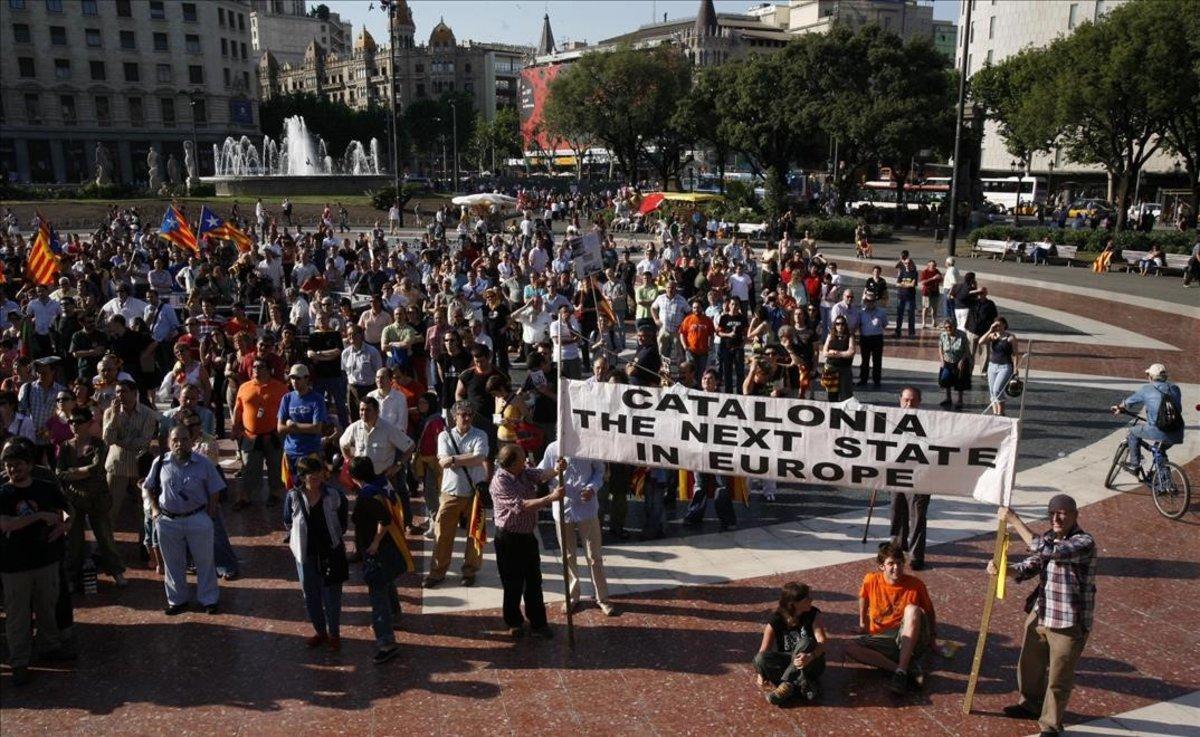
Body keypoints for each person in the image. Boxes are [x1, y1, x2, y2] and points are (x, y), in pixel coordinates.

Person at [989, 496, 1096, 737]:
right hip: (1041, 614)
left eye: (1062, 513)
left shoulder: (1084, 542)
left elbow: (1049, 551)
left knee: (1059, 677)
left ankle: (1050, 724)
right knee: (1029, 665)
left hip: (1068, 621)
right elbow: (1030, 566)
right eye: (1052, 513)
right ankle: (1030, 705)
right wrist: (1003, 570)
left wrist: (1014, 519)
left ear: (1075, 515)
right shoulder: (1049, 536)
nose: (1056, 518)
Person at [0, 439, 74, 687]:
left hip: (46, 560)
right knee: (17, 615)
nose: (13, 470)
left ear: (30, 465)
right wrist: (41, 516)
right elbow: (6, 524)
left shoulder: (46, 487)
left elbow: (67, 512)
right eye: (9, 465)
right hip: (14, 565)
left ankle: (49, 646)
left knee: (47, 607)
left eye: (18, 464)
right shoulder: (3, 492)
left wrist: (64, 525)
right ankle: (19, 661)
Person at [143, 425, 227, 616]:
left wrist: (210, 515)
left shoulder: (204, 463)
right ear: (168, 442)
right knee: (173, 563)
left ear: (191, 441)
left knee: (204, 561)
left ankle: (209, 599)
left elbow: (215, 490)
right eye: (175, 440)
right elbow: (148, 487)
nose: (179, 444)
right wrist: (155, 511)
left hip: (197, 517)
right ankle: (177, 600)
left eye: (184, 439)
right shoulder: (160, 462)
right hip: (168, 520)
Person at [490, 443, 566, 639]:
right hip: (508, 539)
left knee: (534, 581)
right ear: (511, 463)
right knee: (512, 583)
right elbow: (521, 505)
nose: (525, 462)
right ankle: (514, 621)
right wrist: (551, 498)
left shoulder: (523, 472)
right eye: (521, 458)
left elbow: (540, 475)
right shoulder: (500, 481)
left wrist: (556, 470)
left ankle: (538, 623)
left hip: (528, 537)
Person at [845, 542, 937, 695]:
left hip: (908, 636)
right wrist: (862, 623)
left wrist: (933, 637)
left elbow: (929, 611)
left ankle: (901, 670)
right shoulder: (871, 580)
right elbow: (863, 598)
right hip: (883, 637)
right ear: (881, 566)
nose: (896, 568)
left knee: (912, 610)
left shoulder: (916, 585)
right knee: (850, 647)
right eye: (891, 563)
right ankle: (903, 669)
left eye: (900, 563)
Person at [538, 440, 617, 617]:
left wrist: (592, 488)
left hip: (586, 508)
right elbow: (541, 475)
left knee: (594, 555)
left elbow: (599, 470)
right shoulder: (552, 448)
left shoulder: (589, 445)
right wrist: (555, 470)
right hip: (562, 507)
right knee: (568, 556)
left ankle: (602, 598)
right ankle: (572, 596)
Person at [348, 455, 415, 664]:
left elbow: (383, 520)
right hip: (391, 546)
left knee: (377, 596)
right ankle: (395, 615)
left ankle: (386, 642)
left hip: (377, 551)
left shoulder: (367, 496)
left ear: (354, 476)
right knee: (387, 583)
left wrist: (375, 542)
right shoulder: (382, 483)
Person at [57, 407, 126, 588]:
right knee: (74, 540)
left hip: (97, 498)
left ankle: (117, 572)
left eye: (79, 421)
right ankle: (72, 576)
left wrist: (74, 472)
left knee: (104, 536)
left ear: (89, 423)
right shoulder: (65, 447)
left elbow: (96, 469)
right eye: (71, 421)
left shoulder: (98, 444)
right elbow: (59, 473)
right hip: (74, 499)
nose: (74, 425)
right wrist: (81, 472)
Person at [285, 456, 348, 651]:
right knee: (310, 595)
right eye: (313, 477)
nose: (318, 480)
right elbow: (288, 520)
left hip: (331, 552)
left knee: (332, 597)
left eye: (320, 475)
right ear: (302, 477)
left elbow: (342, 522)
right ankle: (320, 632)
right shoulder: (293, 496)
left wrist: (335, 538)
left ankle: (334, 634)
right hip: (305, 555)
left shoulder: (334, 495)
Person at [425, 401, 488, 588]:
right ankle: (437, 572)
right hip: (450, 493)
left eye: (469, 414)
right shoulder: (444, 436)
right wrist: (468, 458)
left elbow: (480, 457)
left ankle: (470, 571)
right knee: (442, 534)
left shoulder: (480, 435)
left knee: (475, 534)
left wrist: (453, 459)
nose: (467, 418)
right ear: (454, 416)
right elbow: (442, 463)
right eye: (462, 414)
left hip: (474, 493)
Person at [753, 582, 828, 706]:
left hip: (812, 662)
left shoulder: (813, 614)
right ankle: (802, 684)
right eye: (807, 598)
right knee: (760, 660)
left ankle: (787, 685)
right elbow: (763, 651)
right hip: (789, 662)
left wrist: (811, 656)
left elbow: (823, 642)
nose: (811, 600)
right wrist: (761, 673)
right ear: (793, 603)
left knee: (806, 642)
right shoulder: (776, 619)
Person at [232, 358, 288, 509]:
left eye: (261, 366)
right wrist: (235, 427)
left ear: (269, 370)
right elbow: (238, 409)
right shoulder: (244, 387)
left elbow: (287, 411)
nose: (256, 369)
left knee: (275, 466)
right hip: (250, 436)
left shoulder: (281, 388)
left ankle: (275, 494)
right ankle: (245, 497)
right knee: (249, 467)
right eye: (254, 366)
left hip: (273, 436)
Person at [102, 379, 158, 530]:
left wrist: (119, 441)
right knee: (110, 510)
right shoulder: (109, 412)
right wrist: (114, 417)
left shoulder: (148, 414)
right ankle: (106, 548)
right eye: (118, 392)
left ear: (135, 393)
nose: (120, 395)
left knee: (144, 508)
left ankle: (145, 546)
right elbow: (107, 440)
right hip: (117, 466)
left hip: (139, 467)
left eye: (124, 391)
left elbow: (143, 441)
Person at [1110, 362, 1184, 473]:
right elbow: (1178, 409)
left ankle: (1135, 464)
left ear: (1150, 377)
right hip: (1177, 431)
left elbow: (1129, 402)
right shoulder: (1175, 389)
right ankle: (1165, 481)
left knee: (1133, 432)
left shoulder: (1147, 389)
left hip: (1157, 429)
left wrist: (1119, 407)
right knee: (1160, 449)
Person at [888, 387, 931, 570]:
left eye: (913, 400)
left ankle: (916, 556)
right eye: (906, 400)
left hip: (920, 476)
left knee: (917, 517)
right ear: (900, 400)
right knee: (897, 512)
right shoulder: (891, 419)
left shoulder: (929, 422)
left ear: (920, 401)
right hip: (897, 474)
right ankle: (897, 548)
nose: (909, 404)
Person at [278, 364, 328, 485]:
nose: (294, 381)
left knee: (312, 488)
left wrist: (293, 425)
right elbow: (280, 428)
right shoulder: (287, 398)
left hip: (310, 452)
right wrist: (305, 427)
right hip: (290, 452)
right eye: (292, 378)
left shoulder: (317, 399)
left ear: (306, 378)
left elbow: (317, 428)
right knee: (292, 489)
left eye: (298, 378)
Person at [979, 317, 1018, 416]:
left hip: (1005, 366)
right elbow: (980, 342)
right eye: (996, 325)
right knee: (992, 391)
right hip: (992, 366)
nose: (998, 327)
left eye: (999, 325)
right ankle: (995, 412)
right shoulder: (993, 336)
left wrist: (1016, 368)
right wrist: (990, 330)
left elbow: (1015, 354)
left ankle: (1001, 412)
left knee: (997, 389)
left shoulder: (1011, 337)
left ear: (1004, 325)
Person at [937, 318, 971, 410]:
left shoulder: (962, 335)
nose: (948, 329)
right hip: (947, 361)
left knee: (960, 381)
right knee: (946, 378)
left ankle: (960, 400)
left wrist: (962, 360)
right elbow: (940, 347)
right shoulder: (943, 335)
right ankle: (948, 398)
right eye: (946, 327)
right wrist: (942, 360)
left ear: (954, 326)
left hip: (959, 361)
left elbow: (966, 350)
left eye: (950, 327)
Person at [857, 293, 888, 388]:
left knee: (877, 360)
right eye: (868, 301)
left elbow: (884, 324)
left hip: (877, 338)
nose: (870, 303)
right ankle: (863, 379)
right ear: (865, 301)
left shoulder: (881, 312)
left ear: (875, 302)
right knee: (865, 360)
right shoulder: (861, 313)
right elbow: (858, 325)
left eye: (872, 301)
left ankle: (877, 380)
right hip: (865, 338)